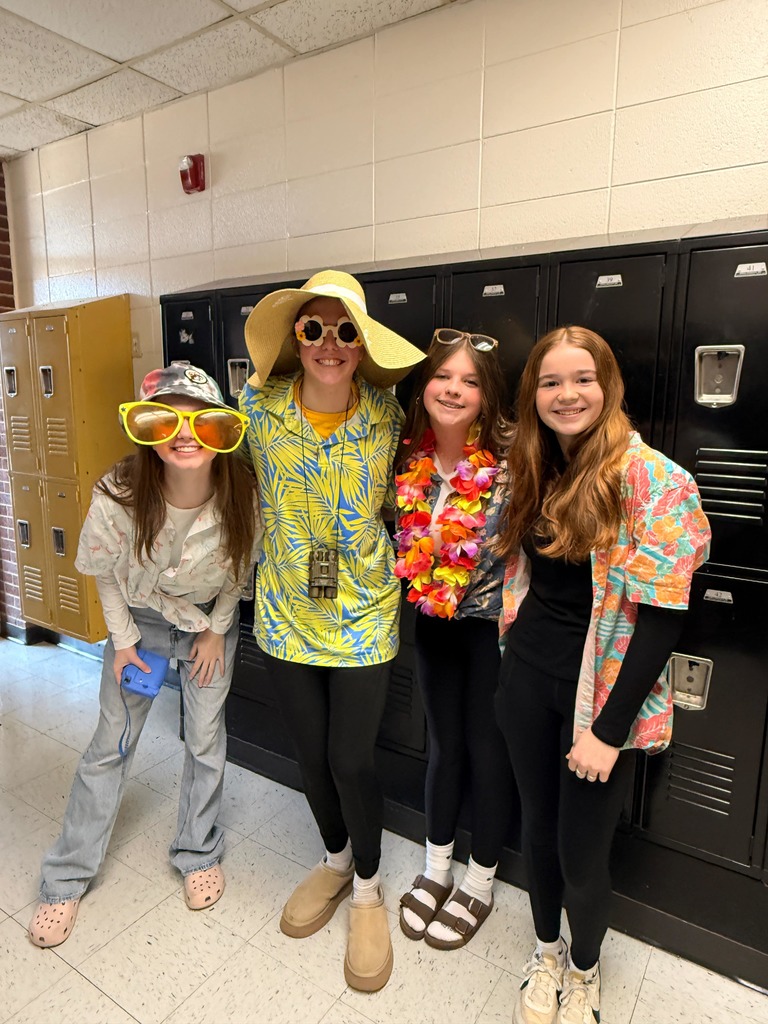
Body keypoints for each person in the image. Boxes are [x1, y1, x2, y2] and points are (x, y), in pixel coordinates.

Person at [494, 327, 711, 1024]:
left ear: (608, 384)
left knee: (581, 855)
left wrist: (607, 732)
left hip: (599, 699)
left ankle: (584, 969)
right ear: (534, 395)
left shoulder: (654, 479)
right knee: (536, 831)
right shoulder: (532, 463)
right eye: (550, 382)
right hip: (526, 678)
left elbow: (663, 619)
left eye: (581, 378)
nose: (566, 394)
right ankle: (547, 950)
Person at [28, 362, 261, 948]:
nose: (185, 435)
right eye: (169, 420)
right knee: (112, 744)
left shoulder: (242, 492)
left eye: (200, 422)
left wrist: (216, 632)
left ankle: (197, 849)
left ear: (221, 432)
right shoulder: (119, 493)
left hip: (210, 623)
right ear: (147, 427)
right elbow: (106, 573)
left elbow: (237, 572)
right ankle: (65, 880)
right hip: (144, 628)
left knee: (205, 740)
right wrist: (124, 641)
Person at [239, 270, 424, 992]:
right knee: (311, 755)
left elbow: (427, 485)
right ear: (296, 337)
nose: (330, 344)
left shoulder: (388, 415)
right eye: (314, 328)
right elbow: (200, 469)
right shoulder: (256, 410)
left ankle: (370, 891)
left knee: (351, 757)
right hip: (286, 605)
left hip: (363, 610)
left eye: (346, 331)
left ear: (363, 343)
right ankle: (336, 858)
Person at [394, 328, 515, 950]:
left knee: (487, 751)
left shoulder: (514, 464)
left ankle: (481, 880)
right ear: (426, 386)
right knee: (442, 746)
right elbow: (400, 549)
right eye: (445, 376)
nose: (454, 389)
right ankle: (436, 866)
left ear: (486, 399)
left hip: (492, 633)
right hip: (434, 624)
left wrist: (442, 542)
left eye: (470, 381)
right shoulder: (408, 463)